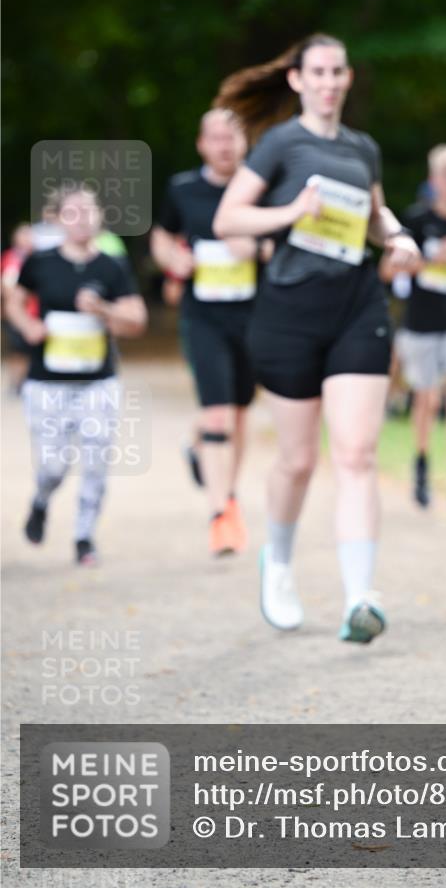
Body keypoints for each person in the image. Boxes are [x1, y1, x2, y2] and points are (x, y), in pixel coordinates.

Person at [212, 33, 421, 642]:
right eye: (318, 72)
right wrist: (288, 215)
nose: (329, 81)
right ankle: (276, 562)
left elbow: (376, 214)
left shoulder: (363, 148)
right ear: (299, 80)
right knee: (299, 459)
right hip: (289, 313)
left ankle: (361, 597)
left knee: (355, 453)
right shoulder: (279, 144)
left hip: (357, 306)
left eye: (338, 72)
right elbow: (230, 219)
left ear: (347, 79)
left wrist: (400, 236)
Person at [4, 184, 147, 565]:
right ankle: (40, 500)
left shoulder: (111, 266)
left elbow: (136, 320)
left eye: (88, 211)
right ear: (57, 220)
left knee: (97, 458)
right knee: (54, 464)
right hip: (46, 381)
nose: (82, 219)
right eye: (72, 212)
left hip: (97, 380)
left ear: (100, 217)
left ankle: (84, 537)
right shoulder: (41, 261)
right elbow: (14, 300)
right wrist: (28, 326)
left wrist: (104, 311)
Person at [151, 108, 258, 557]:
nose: (224, 145)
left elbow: (279, 238)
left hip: (252, 314)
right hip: (203, 316)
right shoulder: (183, 189)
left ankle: (224, 488)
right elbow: (161, 236)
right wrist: (171, 261)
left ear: (245, 142)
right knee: (216, 413)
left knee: (238, 414)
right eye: (215, 137)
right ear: (201, 144)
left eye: (232, 136)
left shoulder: (260, 186)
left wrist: (252, 247)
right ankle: (220, 513)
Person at [383, 145, 446, 508]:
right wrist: (427, 259)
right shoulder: (414, 221)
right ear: (434, 180)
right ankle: (422, 464)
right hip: (420, 325)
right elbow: (387, 269)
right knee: (426, 400)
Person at [1, 223, 36, 393]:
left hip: (36, 312)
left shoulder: (38, 257)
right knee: (18, 350)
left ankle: (27, 381)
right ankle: (16, 383)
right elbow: (7, 284)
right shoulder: (12, 257)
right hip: (18, 313)